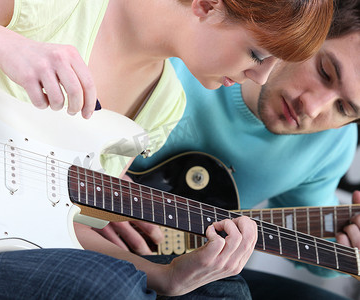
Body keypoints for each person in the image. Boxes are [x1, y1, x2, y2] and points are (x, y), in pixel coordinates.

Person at [0, 0, 334, 298]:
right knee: (110, 290)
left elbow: (54, 224)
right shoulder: (63, 6)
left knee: (224, 292)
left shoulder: (165, 104)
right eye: (257, 54)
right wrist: (6, 46)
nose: (259, 79)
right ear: (207, 4)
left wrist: (165, 276)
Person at [96, 0, 360, 298]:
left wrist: (346, 250)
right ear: (303, 35)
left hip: (186, 258)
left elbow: (311, 234)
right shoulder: (194, 41)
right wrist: (99, 182)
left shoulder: (333, 147)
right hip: (86, 213)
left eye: (343, 108)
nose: (312, 108)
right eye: (324, 71)